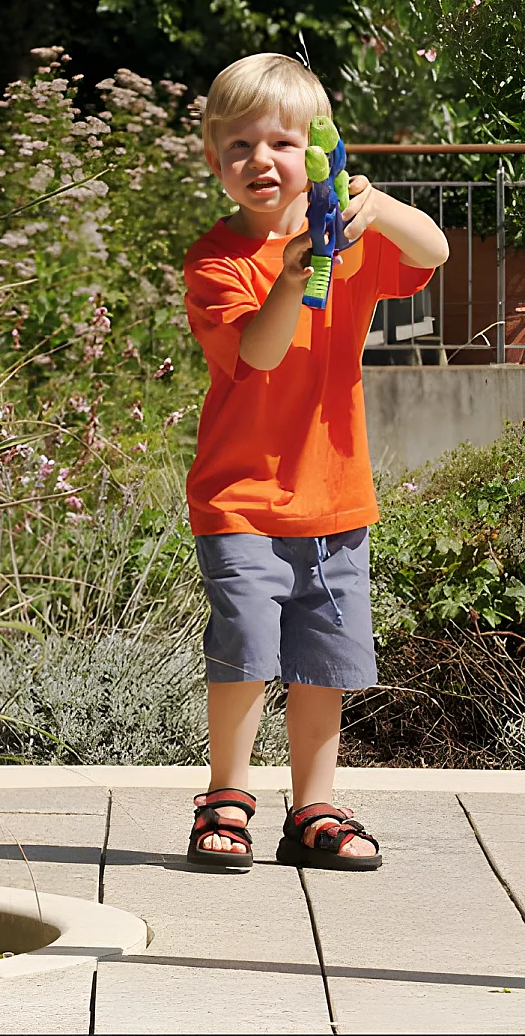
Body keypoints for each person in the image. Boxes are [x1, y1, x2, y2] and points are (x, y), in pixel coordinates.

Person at [182, 52, 449, 871]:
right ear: (214, 161)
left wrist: (379, 204)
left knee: (320, 661)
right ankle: (225, 798)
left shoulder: (356, 241)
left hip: (333, 496)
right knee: (246, 645)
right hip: (241, 498)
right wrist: (292, 278)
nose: (260, 161)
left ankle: (315, 807)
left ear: (321, 154)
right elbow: (258, 352)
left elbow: (433, 251)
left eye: (283, 144)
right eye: (239, 147)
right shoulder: (217, 259)